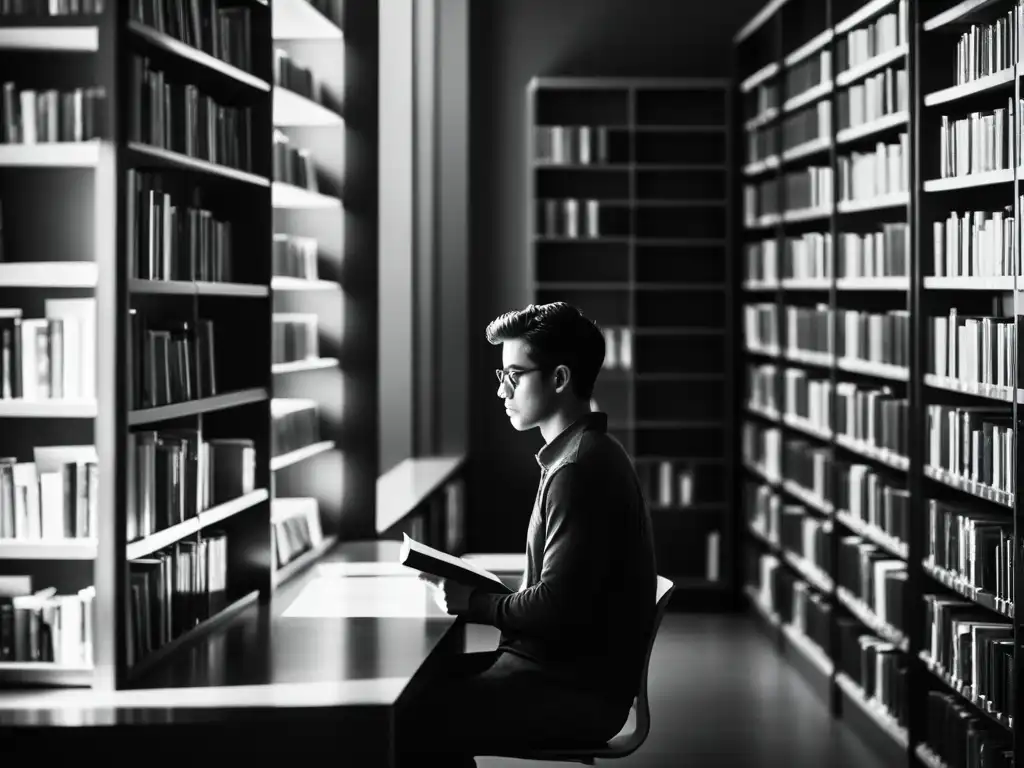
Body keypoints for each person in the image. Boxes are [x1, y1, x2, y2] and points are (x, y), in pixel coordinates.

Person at [397, 302, 658, 767]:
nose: (502, 390)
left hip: (569, 691)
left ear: (559, 379)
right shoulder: (580, 453)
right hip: (553, 673)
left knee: (405, 717)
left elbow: (556, 607)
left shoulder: (578, 469)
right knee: (412, 695)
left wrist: (474, 603)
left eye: (514, 375)